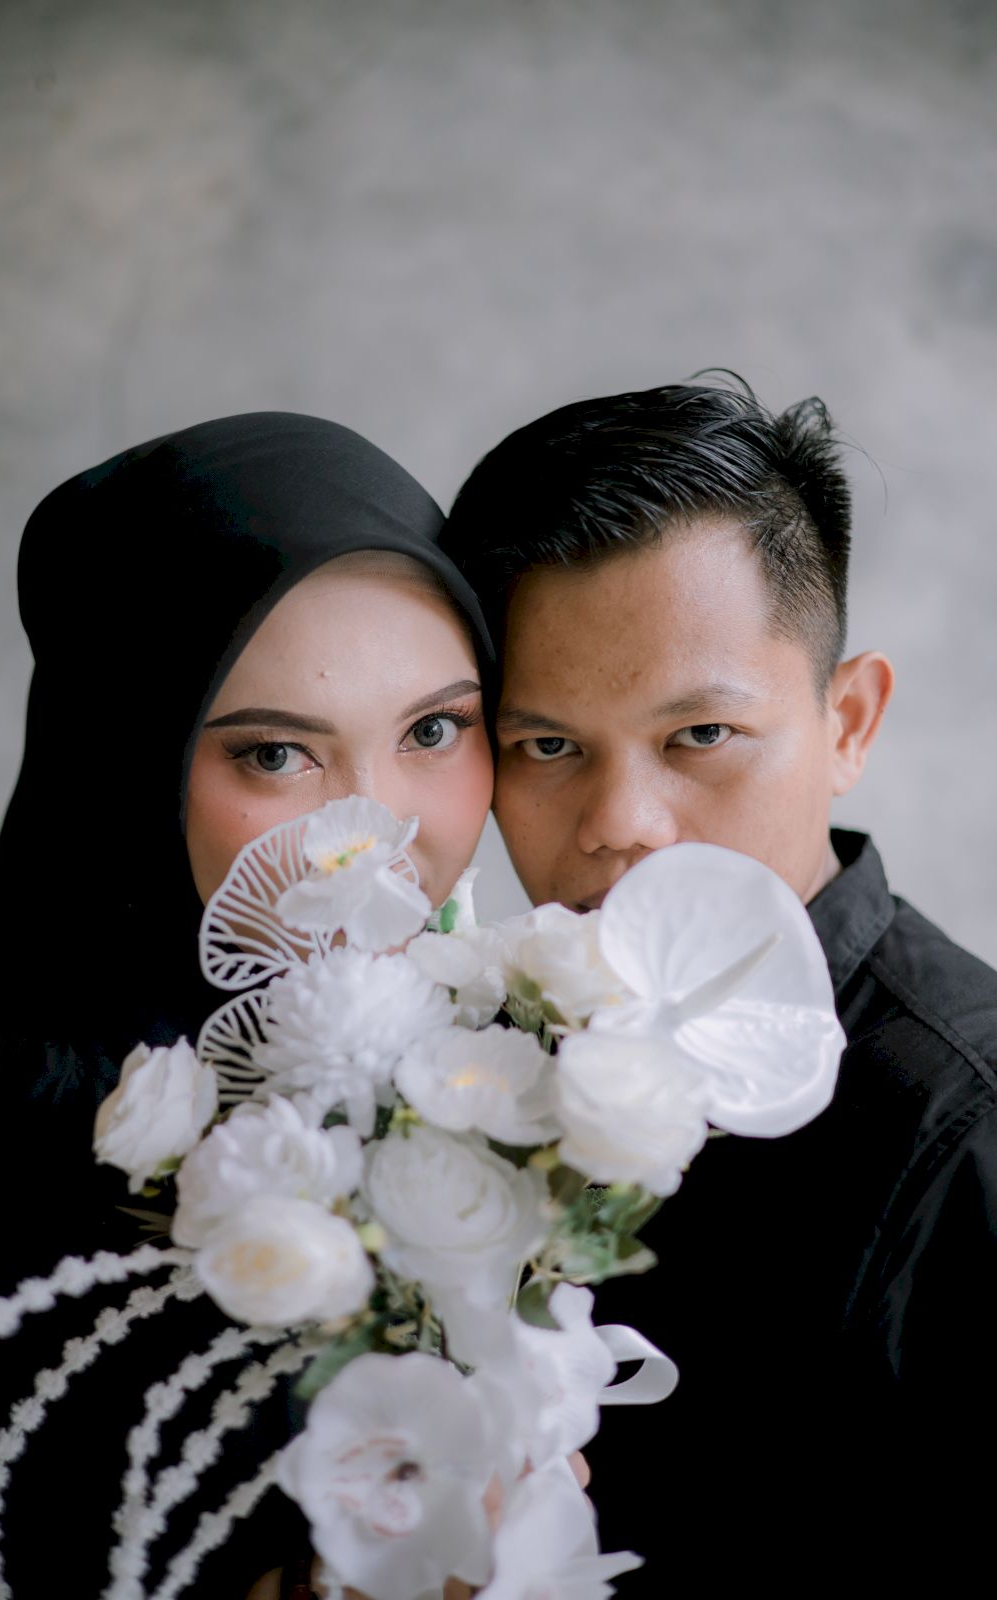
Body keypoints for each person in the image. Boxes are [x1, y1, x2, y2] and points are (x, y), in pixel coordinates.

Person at [440, 380, 997, 1592]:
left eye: (698, 737)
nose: (621, 822)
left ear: (846, 722)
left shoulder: (964, 1127)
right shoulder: (459, 1067)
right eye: (546, 747)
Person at [0, 412, 494, 1597]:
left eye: (433, 729)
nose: (377, 833)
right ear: (128, 761)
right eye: (277, 754)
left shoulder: (488, 1052)